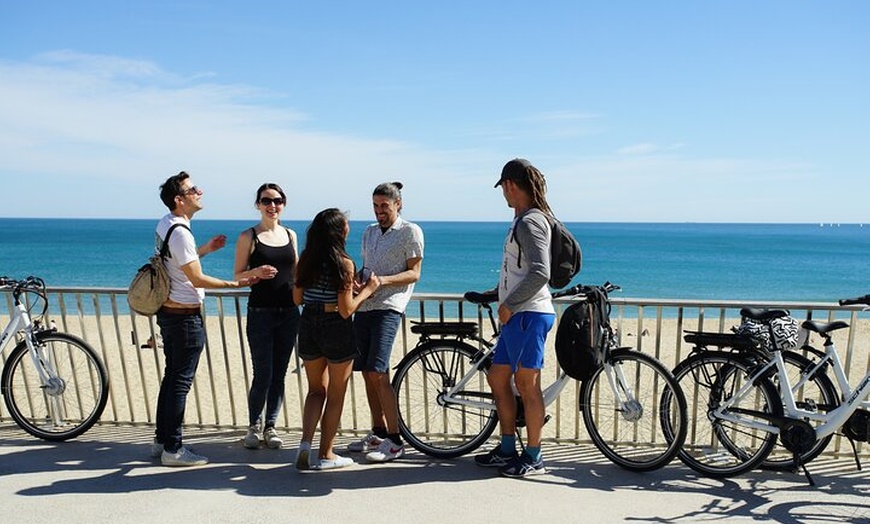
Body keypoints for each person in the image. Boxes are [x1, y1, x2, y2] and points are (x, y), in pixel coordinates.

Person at [150, 171, 254, 467]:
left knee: (172, 379)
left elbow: (178, 263)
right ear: (179, 199)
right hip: (184, 317)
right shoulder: (180, 231)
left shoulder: (166, 224)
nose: (200, 191)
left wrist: (206, 249)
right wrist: (236, 283)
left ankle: (162, 440)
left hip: (169, 313)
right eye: (192, 189)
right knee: (179, 383)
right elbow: (194, 276)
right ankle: (173, 448)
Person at [473, 158, 556, 478]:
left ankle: (534, 455)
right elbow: (519, 269)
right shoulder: (523, 218)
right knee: (498, 377)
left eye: (503, 188)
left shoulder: (530, 221)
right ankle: (508, 448)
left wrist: (510, 303)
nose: (503, 195)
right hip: (519, 315)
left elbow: (540, 272)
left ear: (510, 185)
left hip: (529, 314)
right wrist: (499, 292)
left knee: (527, 385)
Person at [293, 208, 380, 470]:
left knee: (315, 390)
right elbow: (346, 309)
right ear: (339, 231)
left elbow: (297, 299)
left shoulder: (306, 259)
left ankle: (305, 446)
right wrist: (367, 290)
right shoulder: (344, 263)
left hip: (308, 323)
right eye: (346, 225)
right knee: (336, 394)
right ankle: (326, 454)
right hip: (335, 327)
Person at [348, 182, 424, 463]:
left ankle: (395, 439)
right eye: (376, 206)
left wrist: (383, 282)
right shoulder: (368, 232)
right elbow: (366, 266)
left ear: (398, 204)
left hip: (389, 307)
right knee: (367, 371)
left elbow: (414, 273)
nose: (380, 211)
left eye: (385, 206)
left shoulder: (410, 231)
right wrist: (357, 279)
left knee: (379, 371)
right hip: (364, 305)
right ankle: (378, 431)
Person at [233, 183, 300, 450]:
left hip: (289, 312)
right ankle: (253, 426)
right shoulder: (248, 237)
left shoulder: (291, 235)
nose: (273, 205)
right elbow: (237, 275)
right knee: (263, 372)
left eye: (278, 200)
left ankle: (271, 426)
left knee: (280, 373)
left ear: (284, 203)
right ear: (258, 204)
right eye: (266, 200)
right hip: (260, 312)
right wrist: (256, 272)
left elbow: (295, 275)